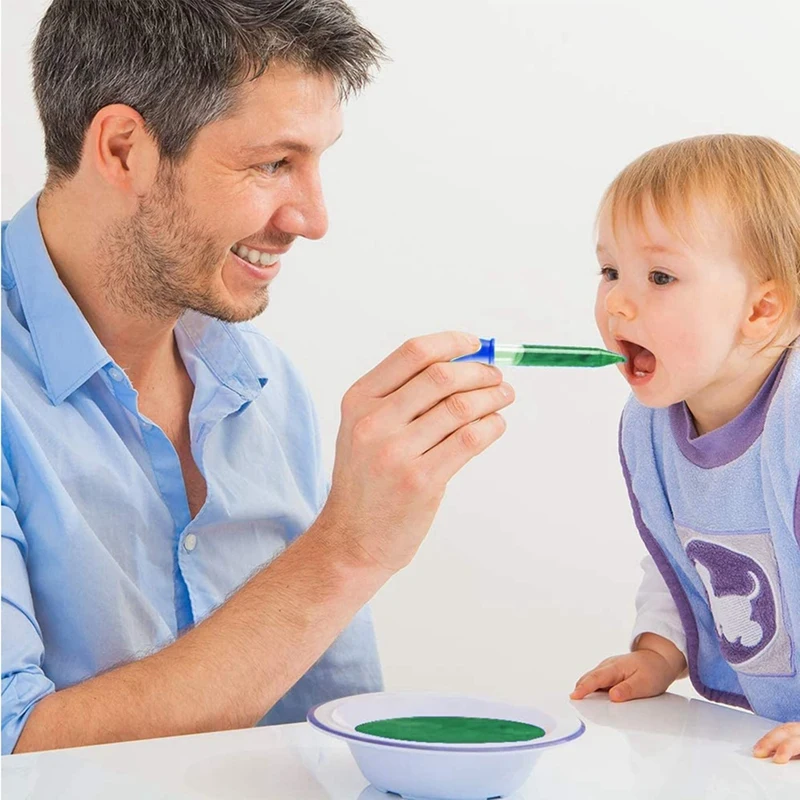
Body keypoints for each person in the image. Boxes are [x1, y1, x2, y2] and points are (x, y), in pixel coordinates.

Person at [1, 0, 515, 754]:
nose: (312, 217)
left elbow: (328, 737)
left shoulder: (264, 387)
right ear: (121, 150)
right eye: (274, 163)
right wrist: (348, 549)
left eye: (316, 161)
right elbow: (13, 753)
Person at [570, 134, 800, 763]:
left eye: (661, 276)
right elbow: (688, 553)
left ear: (761, 309)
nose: (617, 301)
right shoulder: (652, 428)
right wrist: (658, 653)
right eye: (610, 269)